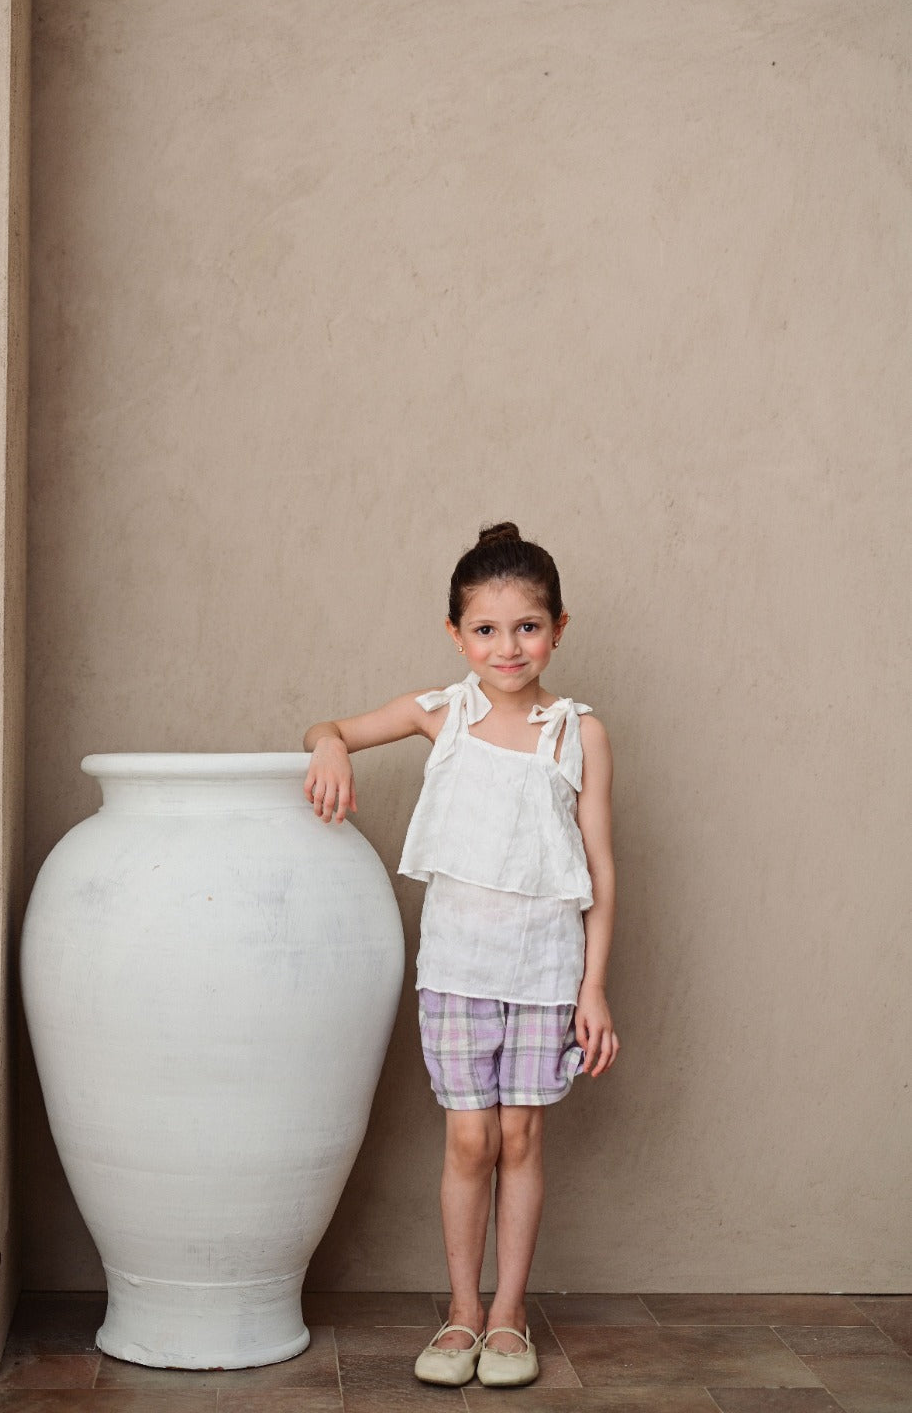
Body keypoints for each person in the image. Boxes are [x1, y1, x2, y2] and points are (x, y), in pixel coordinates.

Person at [303, 522, 619, 1390]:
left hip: (546, 969)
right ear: (456, 634)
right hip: (456, 968)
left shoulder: (577, 733)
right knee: (469, 1139)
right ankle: (462, 1312)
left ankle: (510, 1315)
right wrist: (329, 745)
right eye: (486, 628)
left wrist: (592, 990)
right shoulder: (436, 713)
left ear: (558, 628)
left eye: (527, 626)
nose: (507, 646)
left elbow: (599, 867)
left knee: (521, 1135)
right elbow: (324, 726)